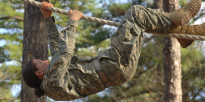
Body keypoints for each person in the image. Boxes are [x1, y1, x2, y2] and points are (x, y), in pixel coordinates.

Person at [23, 0, 202, 101]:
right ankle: (175, 20)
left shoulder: (53, 78)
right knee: (136, 14)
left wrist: (48, 19)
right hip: (114, 65)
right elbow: (63, 53)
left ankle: (185, 33)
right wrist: (73, 22)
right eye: (41, 61)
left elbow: (56, 51)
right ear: (39, 72)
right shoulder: (52, 84)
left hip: (113, 66)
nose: (45, 60)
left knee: (140, 23)